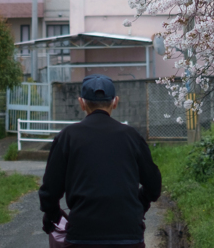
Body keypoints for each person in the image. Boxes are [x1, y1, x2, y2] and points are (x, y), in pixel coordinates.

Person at [39, 74, 161, 247]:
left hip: (81, 236)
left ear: (81, 103)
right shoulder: (131, 136)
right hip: (128, 235)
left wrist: (52, 216)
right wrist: (139, 205)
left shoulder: (67, 137)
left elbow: (49, 192)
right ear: (115, 101)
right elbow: (154, 185)